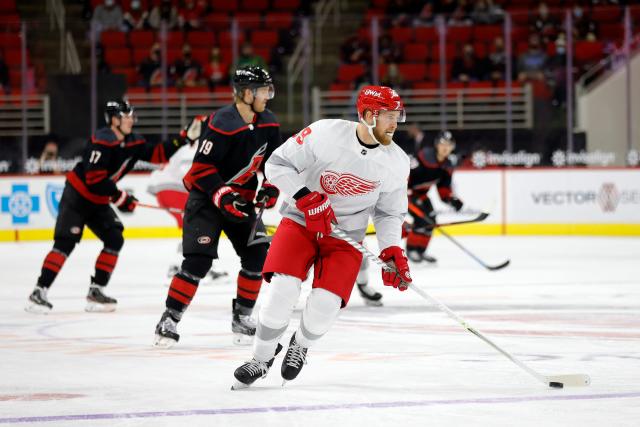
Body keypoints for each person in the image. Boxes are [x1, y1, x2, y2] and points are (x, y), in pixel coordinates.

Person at [232, 85, 412, 389]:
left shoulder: (396, 161)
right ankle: (261, 359)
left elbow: (388, 213)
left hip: (346, 237)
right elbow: (277, 165)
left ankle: (299, 345)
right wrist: (304, 197)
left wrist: (392, 248)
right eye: (388, 116)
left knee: (325, 306)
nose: (395, 124)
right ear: (368, 115)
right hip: (300, 223)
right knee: (282, 291)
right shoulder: (325, 134)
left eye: (397, 116)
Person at [153, 66, 282, 348]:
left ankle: (242, 318)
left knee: (258, 257)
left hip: (243, 203)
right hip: (207, 201)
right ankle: (169, 319)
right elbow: (200, 169)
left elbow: (275, 164)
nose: (267, 96)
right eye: (262, 90)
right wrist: (222, 194)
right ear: (247, 93)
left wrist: (270, 188)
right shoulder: (222, 122)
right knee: (198, 262)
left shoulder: (269, 122)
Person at [26, 100, 193, 314]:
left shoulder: (133, 141)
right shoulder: (102, 140)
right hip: (77, 198)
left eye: (132, 115)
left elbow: (158, 154)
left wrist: (183, 139)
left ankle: (96, 290)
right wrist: (120, 196)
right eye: (127, 116)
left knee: (115, 238)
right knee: (65, 243)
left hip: (98, 201)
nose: (131, 119)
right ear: (114, 120)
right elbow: (94, 179)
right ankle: (39, 291)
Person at [147, 120, 228, 283]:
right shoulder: (193, 147)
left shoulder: (192, 143)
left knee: (192, 227)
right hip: (171, 189)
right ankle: (184, 266)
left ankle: (180, 265)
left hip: (166, 189)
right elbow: (190, 172)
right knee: (199, 224)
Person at [406, 130, 463, 264]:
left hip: (421, 195)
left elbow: (443, 188)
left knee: (431, 220)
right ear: (437, 144)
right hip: (405, 194)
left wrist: (452, 200)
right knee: (422, 219)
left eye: (449, 145)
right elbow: (405, 172)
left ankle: (420, 251)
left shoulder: (447, 165)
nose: (445, 148)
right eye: (443, 144)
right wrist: (402, 191)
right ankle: (411, 250)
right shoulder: (424, 156)